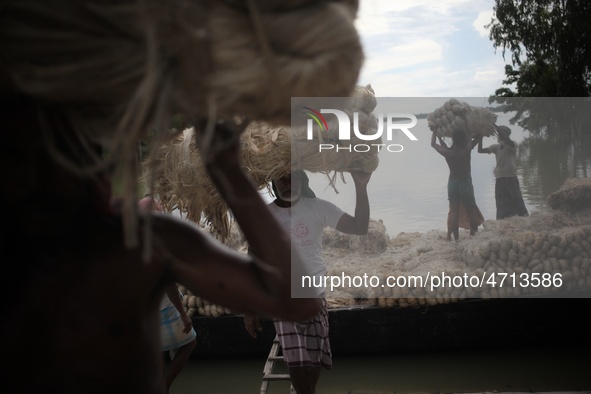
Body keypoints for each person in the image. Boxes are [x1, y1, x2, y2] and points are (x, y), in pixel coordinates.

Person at [0, 97, 320, 394]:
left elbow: (296, 302)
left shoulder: (142, 241)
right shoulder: (142, 239)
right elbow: (294, 301)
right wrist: (232, 176)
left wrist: (231, 175)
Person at [243, 169, 372, 394]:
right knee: (296, 361)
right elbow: (254, 256)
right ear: (273, 182)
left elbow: (359, 227)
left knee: (313, 361)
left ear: (303, 179)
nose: (287, 182)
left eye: (293, 176)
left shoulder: (317, 208)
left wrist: (361, 187)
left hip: (315, 296)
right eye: (281, 177)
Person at [138, 197, 197, 394]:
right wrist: (183, 312)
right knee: (189, 343)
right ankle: (164, 386)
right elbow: (169, 282)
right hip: (163, 306)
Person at [431, 128, 483, 241]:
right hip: (465, 182)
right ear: (463, 139)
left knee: (454, 211)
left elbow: (433, 144)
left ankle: (456, 239)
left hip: (453, 183)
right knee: (471, 209)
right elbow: (470, 135)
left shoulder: (448, 153)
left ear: (453, 139)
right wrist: (465, 118)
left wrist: (435, 131)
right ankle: (473, 235)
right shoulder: (466, 151)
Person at [478, 125, 529, 219]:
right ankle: (502, 220)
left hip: (511, 177)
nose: (498, 135)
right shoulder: (496, 147)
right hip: (500, 178)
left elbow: (507, 139)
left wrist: (496, 127)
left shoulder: (512, 145)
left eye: (500, 134)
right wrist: (480, 137)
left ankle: (523, 218)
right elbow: (480, 151)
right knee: (501, 202)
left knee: (516, 199)